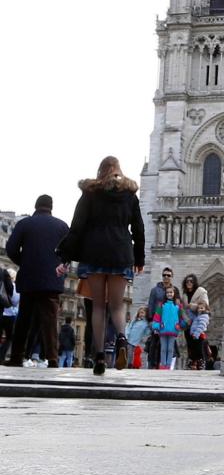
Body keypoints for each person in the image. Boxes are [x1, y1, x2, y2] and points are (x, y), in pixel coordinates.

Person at [55, 156, 145, 375]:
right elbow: (139, 230)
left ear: (100, 171)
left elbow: (77, 227)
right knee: (116, 305)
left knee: (98, 306)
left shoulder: (90, 193)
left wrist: (65, 256)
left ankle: (99, 357)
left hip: (94, 253)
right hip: (121, 252)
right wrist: (139, 258)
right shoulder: (130, 196)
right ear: (118, 171)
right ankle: (122, 339)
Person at [4, 195, 69, 367]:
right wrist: (59, 267)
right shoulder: (62, 226)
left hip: (29, 278)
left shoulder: (24, 224)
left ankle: (17, 356)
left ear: (36, 206)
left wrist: (23, 262)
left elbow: (11, 248)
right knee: (50, 320)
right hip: (52, 280)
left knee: (24, 318)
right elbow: (69, 252)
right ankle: (53, 358)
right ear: (51, 207)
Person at [151, 286, 185, 370]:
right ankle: (163, 365)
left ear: (174, 294)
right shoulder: (161, 305)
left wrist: (180, 325)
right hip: (163, 329)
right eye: (167, 292)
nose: (169, 294)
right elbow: (157, 317)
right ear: (165, 294)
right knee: (163, 348)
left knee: (170, 349)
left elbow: (181, 317)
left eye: (171, 292)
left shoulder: (178, 306)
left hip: (173, 329)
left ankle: (168, 365)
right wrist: (157, 326)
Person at [181, 274, 210, 370]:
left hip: (198, 321)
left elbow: (205, 306)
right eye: (187, 281)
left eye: (191, 281)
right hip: (188, 322)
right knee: (190, 344)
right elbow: (183, 309)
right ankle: (192, 363)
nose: (189, 283)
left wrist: (192, 306)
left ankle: (200, 362)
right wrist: (186, 319)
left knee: (198, 343)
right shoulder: (184, 294)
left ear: (194, 282)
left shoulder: (201, 292)